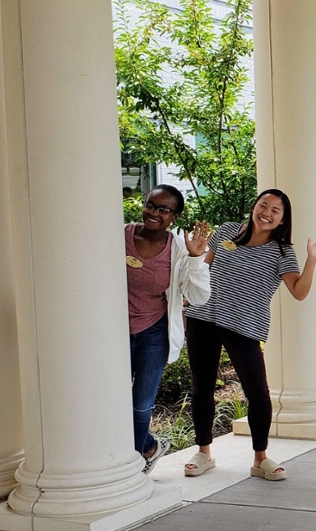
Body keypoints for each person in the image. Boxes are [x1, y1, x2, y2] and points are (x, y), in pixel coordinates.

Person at [183, 189, 316, 481]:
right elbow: (204, 269)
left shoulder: (282, 251)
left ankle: (260, 458)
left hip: (244, 326)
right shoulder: (226, 231)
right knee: (202, 388)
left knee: (258, 394)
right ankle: (204, 452)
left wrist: (312, 260)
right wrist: (195, 257)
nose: (267, 212)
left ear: (282, 220)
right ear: (254, 206)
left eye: (276, 210)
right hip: (203, 317)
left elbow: (299, 292)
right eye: (263, 205)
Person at [125, 185, 211, 474]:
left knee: (140, 405)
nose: (154, 213)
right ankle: (148, 447)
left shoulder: (179, 250)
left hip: (153, 332)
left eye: (163, 210)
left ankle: (135, 464)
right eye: (150, 205)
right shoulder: (120, 236)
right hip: (114, 333)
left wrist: (197, 257)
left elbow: (199, 297)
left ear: (174, 216)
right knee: (112, 399)